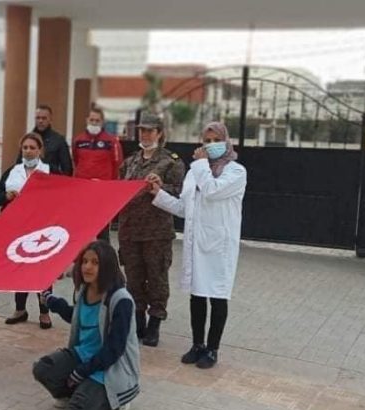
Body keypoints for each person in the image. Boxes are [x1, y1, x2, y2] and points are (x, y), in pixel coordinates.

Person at [147, 121, 246, 369]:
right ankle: (197, 344)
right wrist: (159, 194)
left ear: (226, 141)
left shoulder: (235, 172)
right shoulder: (195, 172)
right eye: (207, 141)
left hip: (219, 246)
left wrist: (200, 164)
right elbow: (185, 207)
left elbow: (212, 190)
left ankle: (212, 349)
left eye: (216, 140)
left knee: (217, 296)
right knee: (197, 296)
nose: (211, 145)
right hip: (197, 244)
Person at [33, 240, 140, 410]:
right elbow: (77, 317)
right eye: (84, 261)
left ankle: (117, 400)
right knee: (43, 369)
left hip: (109, 367)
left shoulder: (121, 300)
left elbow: (114, 349)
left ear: (107, 266)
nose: (87, 267)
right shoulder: (84, 289)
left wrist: (81, 372)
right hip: (82, 355)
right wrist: (52, 302)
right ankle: (77, 393)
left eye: (95, 262)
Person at [118, 112, 185, 347]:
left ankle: (155, 324)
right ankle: (138, 323)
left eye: (149, 130)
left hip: (156, 233)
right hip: (130, 231)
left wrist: (160, 186)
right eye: (142, 130)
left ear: (159, 133)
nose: (145, 135)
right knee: (134, 280)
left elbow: (180, 192)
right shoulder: (130, 162)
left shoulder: (171, 162)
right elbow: (119, 189)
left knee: (157, 279)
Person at [0, 132, 53, 329]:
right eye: (25, 148)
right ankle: (20, 309)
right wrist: (7, 196)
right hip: (18, 229)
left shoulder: (49, 171)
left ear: (40, 150)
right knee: (20, 267)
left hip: (42, 229)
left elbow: (62, 196)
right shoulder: (13, 171)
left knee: (42, 270)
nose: (28, 151)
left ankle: (44, 311)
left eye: (32, 148)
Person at [71, 107, 123, 242]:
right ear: (87, 120)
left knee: (102, 228)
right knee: (81, 227)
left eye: (97, 120)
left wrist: (111, 188)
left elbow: (117, 165)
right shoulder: (78, 141)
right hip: (83, 191)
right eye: (92, 120)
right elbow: (76, 161)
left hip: (102, 192)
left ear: (103, 122)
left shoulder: (112, 142)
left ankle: (104, 253)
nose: (94, 123)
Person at [17, 105, 72, 175]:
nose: (40, 121)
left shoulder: (59, 140)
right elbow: (19, 163)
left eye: (44, 118)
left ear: (50, 120)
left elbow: (67, 169)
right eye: (38, 118)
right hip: (29, 178)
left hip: (50, 177)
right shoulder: (28, 140)